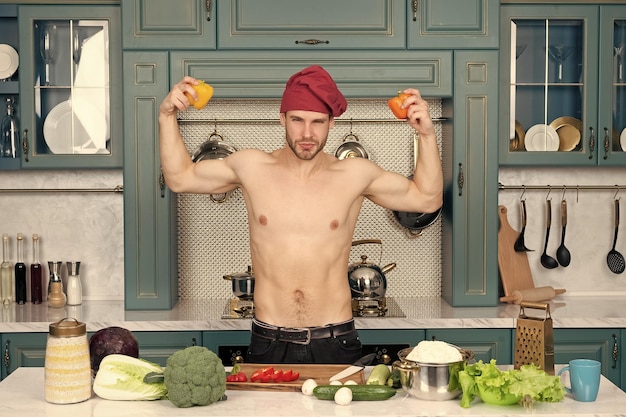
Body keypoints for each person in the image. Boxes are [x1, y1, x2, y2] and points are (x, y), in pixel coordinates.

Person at [158, 65, 443, 364]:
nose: (307, 133)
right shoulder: (251, 167)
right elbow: (180, 178)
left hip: (335, 339)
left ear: (331, 123)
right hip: (269, 338)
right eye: (297, 120)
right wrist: (166, 116)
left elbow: (427, 198)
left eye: (318, 122)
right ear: (282, 118)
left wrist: (426, 134)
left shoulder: (354, 174)